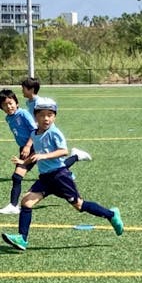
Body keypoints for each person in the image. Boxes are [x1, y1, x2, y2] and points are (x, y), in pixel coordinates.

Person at [1, 98, 123, 251]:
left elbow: (63, 151)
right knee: (26, 202)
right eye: (42, 115)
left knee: (79, 205)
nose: (46, 118)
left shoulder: (54, 132)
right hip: (45, 178)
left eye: (50, 115)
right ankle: (22, 239)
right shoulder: (34, 133)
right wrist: (23, 162)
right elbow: (36, 155)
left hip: (60, 176)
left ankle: (111, 214)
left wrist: (43, 156)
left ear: (54, 117)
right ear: (35, 116)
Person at [21, 77, 92, 166]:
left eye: (23, 88)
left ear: (31, 90)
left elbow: (37, 123)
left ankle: (76, 156)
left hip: (46, 132)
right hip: (40, 132)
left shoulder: (39, 103)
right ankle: (75, 156)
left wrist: (28, 144)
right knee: (51, 163)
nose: (22, 91)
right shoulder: (29, 102)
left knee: (55, 163)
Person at [0, 89, 37, 214]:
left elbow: (35, 131)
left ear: (16, 102)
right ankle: (76, 156)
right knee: (57, 170)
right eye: (4, 105)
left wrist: (27, 146)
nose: (9, 106)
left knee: (17, 176)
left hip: (35, 146)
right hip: (24, 148)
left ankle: (13, 205)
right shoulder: (8, 118)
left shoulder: (23, 114)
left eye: (10, 103)